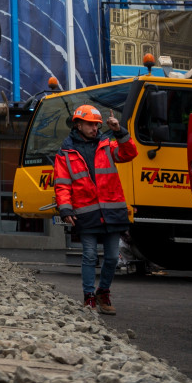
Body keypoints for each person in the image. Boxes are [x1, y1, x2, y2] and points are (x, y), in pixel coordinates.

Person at [53, 104, 137, 314]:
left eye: (97, 125)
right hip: (86, 212)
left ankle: (103, 293)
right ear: (78, 124)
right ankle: (89, 296)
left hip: (112, 211)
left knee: (111, 257)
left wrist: (119, 130)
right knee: (90, 256)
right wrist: (65, 209)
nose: (94, 128)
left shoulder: (107, 143)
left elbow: (129, 153)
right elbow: (62, 184)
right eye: (90, 124)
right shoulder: (65, 152)